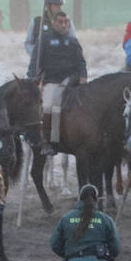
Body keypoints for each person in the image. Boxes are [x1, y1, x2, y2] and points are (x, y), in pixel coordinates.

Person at [32, 11, 87, 156]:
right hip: (51, 81)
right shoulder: (43, 40)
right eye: (60, 22)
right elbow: (35, 63)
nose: (64, 25)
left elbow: (81, 62)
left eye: (66, 22)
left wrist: (83, 76)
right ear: (53, 23)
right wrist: (33, 79)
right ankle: (49, 141)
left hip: (72, 81)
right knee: (49, 105)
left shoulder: (73, 41)